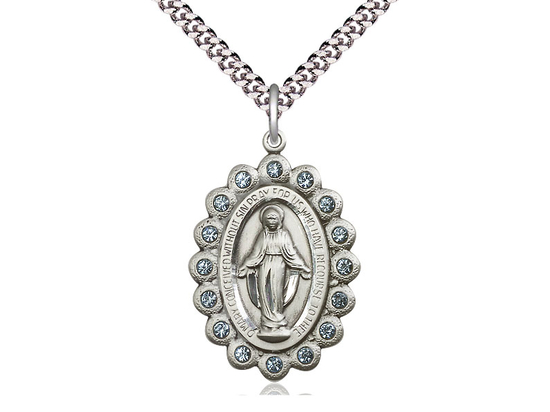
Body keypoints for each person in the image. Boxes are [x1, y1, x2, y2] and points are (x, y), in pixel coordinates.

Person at [238, 204, 310, 335]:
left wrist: (303, 266)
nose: (271, 221)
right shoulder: (263, 235)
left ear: (279, 220)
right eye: (269, 218)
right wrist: (244, 265)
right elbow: (255, 254)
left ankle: (278, 324)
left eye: (274, 218)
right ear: (264, 221)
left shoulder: (284, 235)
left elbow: (292, 253)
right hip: (264, 266)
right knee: (265, 295)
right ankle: (266, 325)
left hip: (279, 266)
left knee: (276, 295)